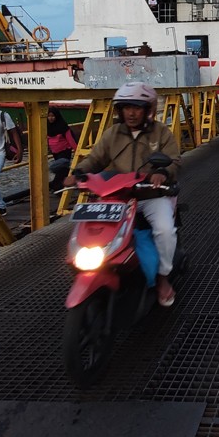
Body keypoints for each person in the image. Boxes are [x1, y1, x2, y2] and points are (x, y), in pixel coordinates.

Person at [63, 82, 181, 307]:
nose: (131, 112)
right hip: (117, 196)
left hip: (149, 196)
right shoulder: (113, 134)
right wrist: (78, 173)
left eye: (137, 107)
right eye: (126, 107)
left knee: (165, 230)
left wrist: (162, 174)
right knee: (90, 231)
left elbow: (174, 160)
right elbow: (96, 159)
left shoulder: (161, 132)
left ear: (148, 109)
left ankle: (163, 277)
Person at [47, 108, 77, 191]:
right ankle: (60, 186)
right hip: (55, 152)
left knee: (62, 170)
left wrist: (77, 150)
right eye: (49, 116)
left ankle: (57, 186)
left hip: (64, 151)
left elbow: (70, 139)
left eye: (52, 116)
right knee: (62, 169)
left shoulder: (63, 127)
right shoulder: (47, 127)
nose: (50, 118)